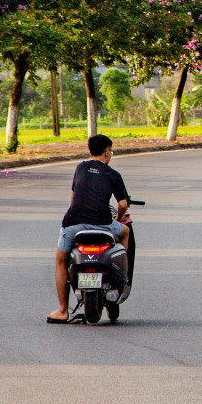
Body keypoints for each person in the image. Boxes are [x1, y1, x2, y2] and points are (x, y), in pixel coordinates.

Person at [47, 134, 132, 324]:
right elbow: (124, 204)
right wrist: (119, 219)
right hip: (103, 224)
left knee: (61, 261)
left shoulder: (80, 168)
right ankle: (120, 273)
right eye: (111, 151)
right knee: (125, 232)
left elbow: (73, 198)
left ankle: (62, 310)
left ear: (89, 151)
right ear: (106, 152)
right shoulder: (113, 174)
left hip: (73, 225)